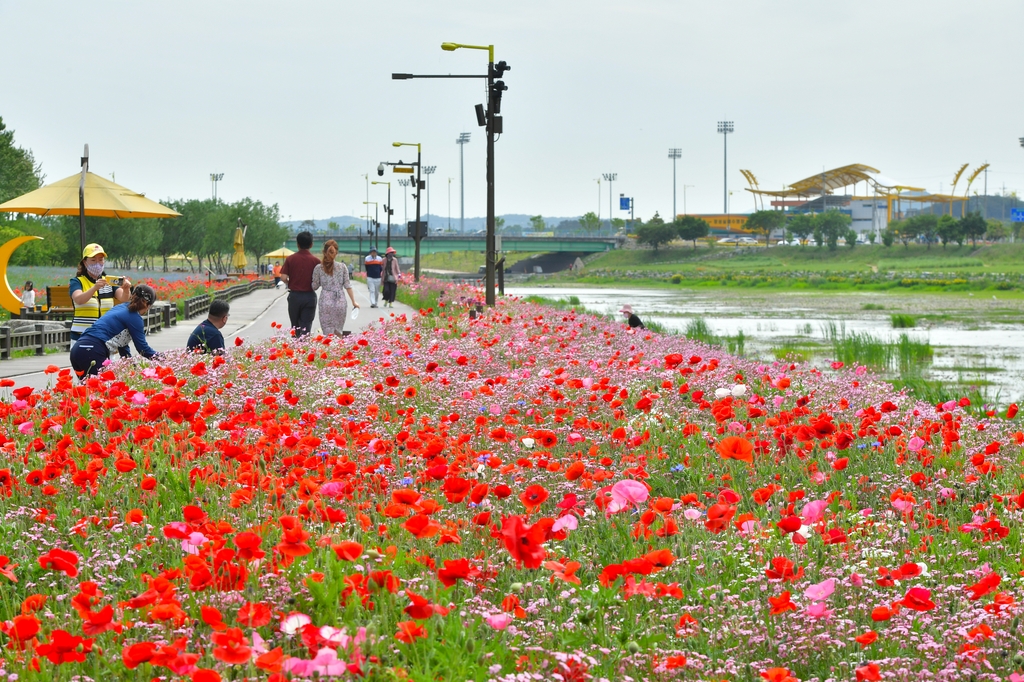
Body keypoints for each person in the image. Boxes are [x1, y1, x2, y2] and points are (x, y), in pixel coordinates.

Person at [70, 285, 159, 377]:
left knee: (87, 389)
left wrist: (131, 365)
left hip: (78, 349)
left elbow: (122, 345)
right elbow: (143, 348)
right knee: (101, 388)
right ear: (148, 306)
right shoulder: (135, 318)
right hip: (93, 350)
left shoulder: (120, 307)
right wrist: (165, 358)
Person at [70, 243, 131, 341]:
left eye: (100, 260)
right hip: (82, 335)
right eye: (93, 260)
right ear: (85, 262)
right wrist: (94, 288)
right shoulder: (77, 281)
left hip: (106, 335)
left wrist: (126, 289)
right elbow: (78, 299)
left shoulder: (109, 281)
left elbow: (124, 298)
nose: (97, 263)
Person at [311, 240, 359, 335]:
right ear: (336, 253)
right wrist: (354, 301)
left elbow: (314, 286)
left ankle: (329, 348)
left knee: (327, 332)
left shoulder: (318, 268)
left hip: (325, 301)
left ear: (324, 252)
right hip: (340, 300)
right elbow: (347, 285)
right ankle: (338, 348)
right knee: (338, 331)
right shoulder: (342, 267)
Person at [280, 231, 320, 337]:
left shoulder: (290, 259)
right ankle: (305, 348)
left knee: (295, 326)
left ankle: (295, 349)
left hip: (294, 297)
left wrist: (290, 282)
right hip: (309, 296)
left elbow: (283, 277)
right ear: (311, 244)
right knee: (306, 326)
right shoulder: (316, 261)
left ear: (297, 244)